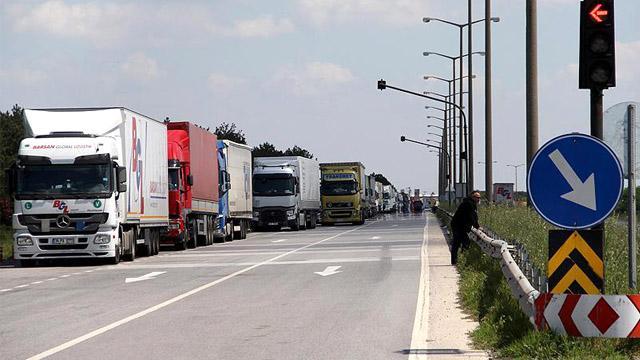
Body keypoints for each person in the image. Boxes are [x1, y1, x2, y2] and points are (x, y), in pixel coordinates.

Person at [449, 190, 481, 265]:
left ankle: (458, 260)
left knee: (462, 242)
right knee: (460, 242)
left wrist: (477, 225)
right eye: (477, 197)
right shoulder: (469, 204)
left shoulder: (471, 203)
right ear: (472, 197)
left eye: (479, 197)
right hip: (458, 226)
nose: (478, 199)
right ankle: (458, 261)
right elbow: (472, 217)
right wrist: (477, 226)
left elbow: (474, 217)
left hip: (461, 226)